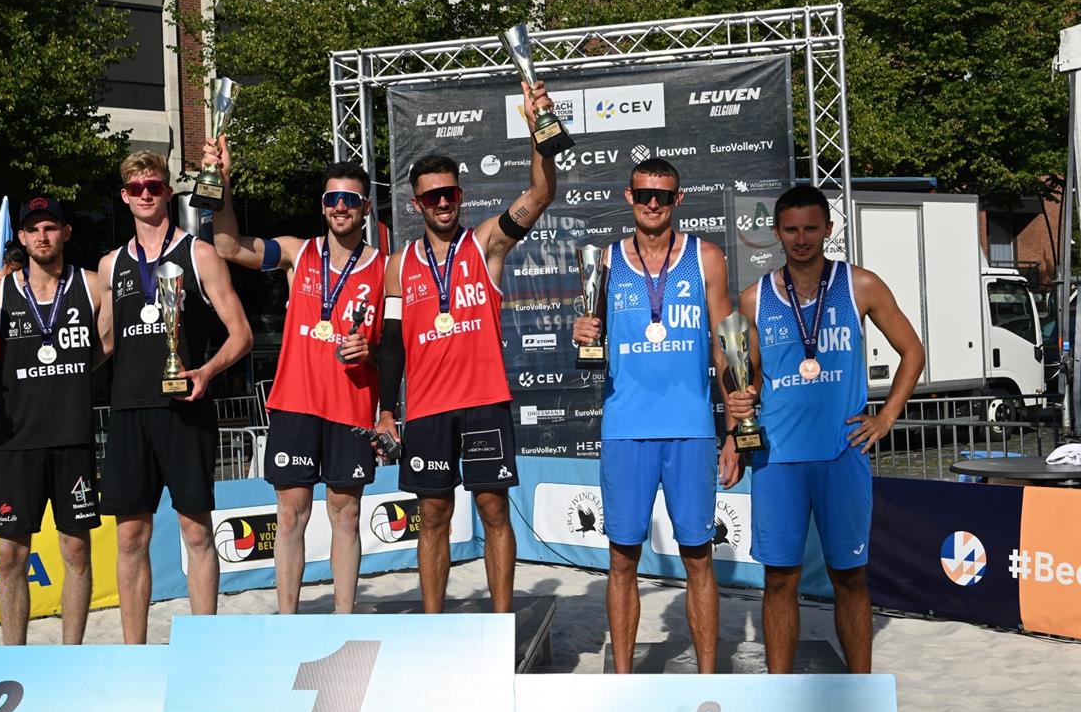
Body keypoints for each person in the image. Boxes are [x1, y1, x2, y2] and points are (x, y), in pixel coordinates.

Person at [726, 185, 923, 674]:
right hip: (777, 459)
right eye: (791, 229)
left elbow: (912, 352)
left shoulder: (861, 285)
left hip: (842, 455)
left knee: (850, 577)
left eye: (811, 228)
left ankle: (859, 691)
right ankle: (780, 690)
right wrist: (734, 429)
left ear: (828, 230)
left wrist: (886, 416)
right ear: (776, 232)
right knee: (779, 580)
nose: (801, 239)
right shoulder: (754, 299)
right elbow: (744, 379)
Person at [375, 80, 556, 614]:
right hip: (428, 408)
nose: (442, 203)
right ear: (417, 204)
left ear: (461, 196)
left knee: (493, 509)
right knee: (432, 515)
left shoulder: (486, 244)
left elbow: (540, 195)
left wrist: (538, 131)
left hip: (483, 402)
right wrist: (386, 411)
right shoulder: (398, 265)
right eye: (432, 196)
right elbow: (391, 345)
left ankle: (500, 623)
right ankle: (434, 623)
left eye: (449, 194)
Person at [571, 158, 736, 674]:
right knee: (622, 559)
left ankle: (709, 678)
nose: (652, 203)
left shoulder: (706, 258)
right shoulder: (604, 262)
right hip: (627, 431)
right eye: (643, 193)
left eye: (662, 195)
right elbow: (592, 335)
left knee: (698, 558)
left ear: (677, 199)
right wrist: (581, 332)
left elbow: (727, 348)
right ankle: (623, 678)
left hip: (690, 432)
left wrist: (735, 431)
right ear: (629, 196)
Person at [203, 144, 384, 614]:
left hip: (351, 407)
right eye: (331, 199)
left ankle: (344, 619)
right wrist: (223, 184)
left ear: (365, 207)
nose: (340, 207)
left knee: (346, 515)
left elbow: (396, 347)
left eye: (349, 200)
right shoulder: (297, 252)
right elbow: (227, 247)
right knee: (289, 515)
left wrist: (372, 352)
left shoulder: (385, 269)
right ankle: (288, 620)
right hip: (296, 403)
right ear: (322, 206)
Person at [96, 151, 253, 644]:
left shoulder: (199, 254)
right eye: (136, 188)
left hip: (186, 409)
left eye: (153, 186)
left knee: (197, 531)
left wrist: (206, 371)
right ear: (125, 196)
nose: (145, 194)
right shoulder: (110, 264)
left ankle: (203, 646)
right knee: (129, 536)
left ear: (167, 192)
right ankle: (134, 652)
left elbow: (242, 334)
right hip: (129, 411)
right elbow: (104, 341)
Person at [0, 196, 110, 645]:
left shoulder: (92, 285)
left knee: (76, 550)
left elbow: (106, 345)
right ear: (21, 237)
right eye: (33, 229)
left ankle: (71, 654)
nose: (42, 236)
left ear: (65, 232)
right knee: (10, 556)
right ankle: (15, 657)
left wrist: (71, 370)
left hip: (72, 434)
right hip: (16, 439)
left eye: (50, 227)